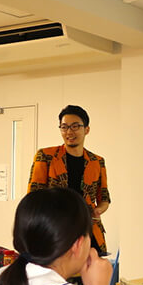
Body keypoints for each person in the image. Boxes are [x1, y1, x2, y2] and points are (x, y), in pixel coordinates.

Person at [28, 105, 111, 255]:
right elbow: (33, 198)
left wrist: (98, 210)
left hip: (88, 231)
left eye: (75, 126)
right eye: (64, 127)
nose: (69, 132)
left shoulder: (97, 161)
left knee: (89, 276)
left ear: (87, 129)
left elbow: (104, 199)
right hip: (55, 230)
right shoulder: (46, 156)